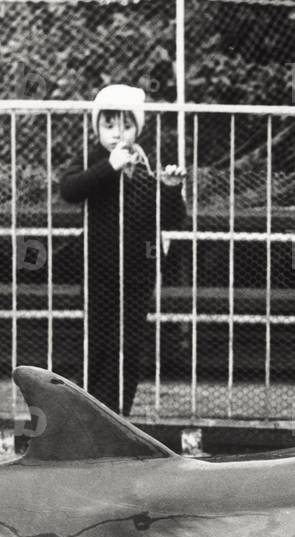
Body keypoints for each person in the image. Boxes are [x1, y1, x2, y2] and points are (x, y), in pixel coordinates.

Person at [60, 84, 186, 416]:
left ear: (137, 128)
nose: (118, 134)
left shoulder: (145, 162)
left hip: (138, 273)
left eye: (126, 125)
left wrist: (172, 190)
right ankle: (86, 413)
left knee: (127, 347)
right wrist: (109, 166)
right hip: (98, 270)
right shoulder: (96, 158)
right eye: (109, 125)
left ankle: (117, 417)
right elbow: (70, 189)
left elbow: (174, 218)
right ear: (97, 128)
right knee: (98, 343)